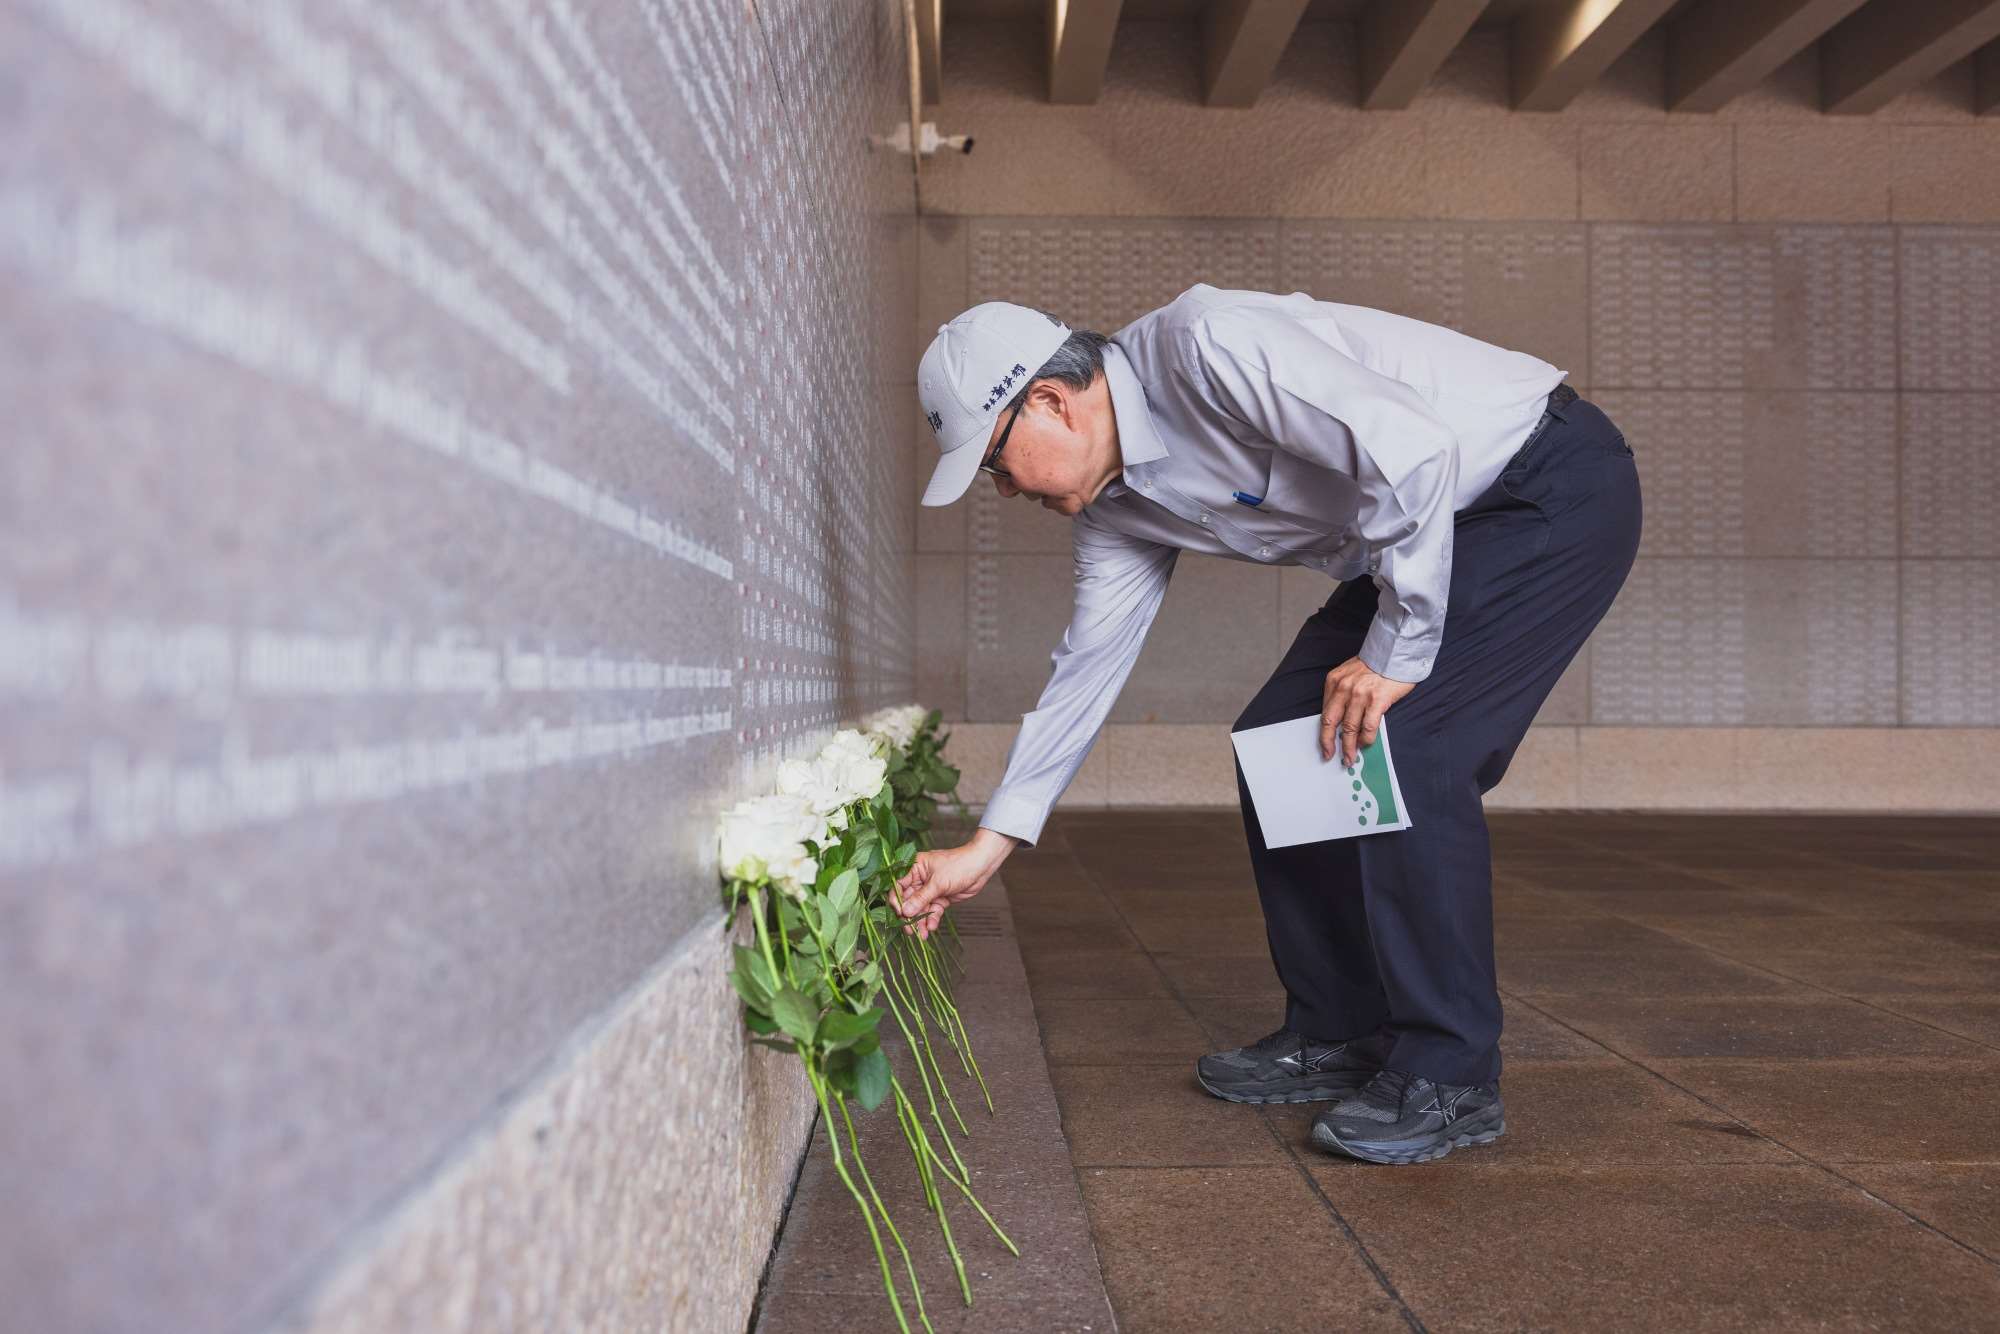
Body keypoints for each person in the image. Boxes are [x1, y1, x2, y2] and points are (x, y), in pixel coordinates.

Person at [891, 286, 1642, 1165]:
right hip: (1421, 529)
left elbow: (1413, 448)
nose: (1004, 488)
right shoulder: (1116, 507)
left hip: (1535, 489)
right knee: (1287, 738)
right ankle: (1344, 1028)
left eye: (994, 462)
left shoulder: (1208, 346)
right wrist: (991, 844)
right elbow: (1085, 671)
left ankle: (1451, 1074)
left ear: (1051, 402)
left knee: (1402, 744)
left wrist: (1397, 653)